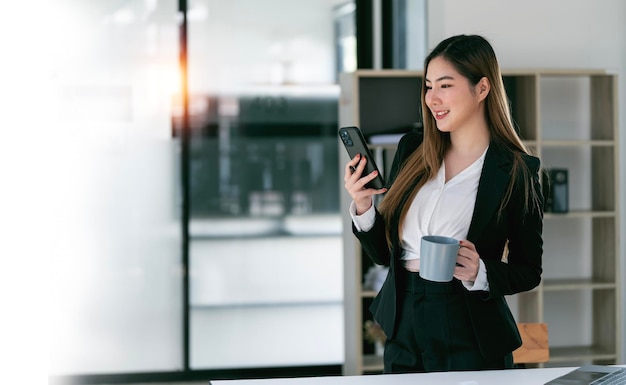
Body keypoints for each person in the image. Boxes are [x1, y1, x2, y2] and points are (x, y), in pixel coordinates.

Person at [343, 34, 544, 373]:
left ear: (482, 89)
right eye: (428, 86)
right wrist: (364, 207)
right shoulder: (412, 150)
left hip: (470, 324)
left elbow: (529, 271)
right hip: (403, 322)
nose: (432, 99)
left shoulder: (515, 171)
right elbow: (383, 255)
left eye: (445, 85)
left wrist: (479, 272)